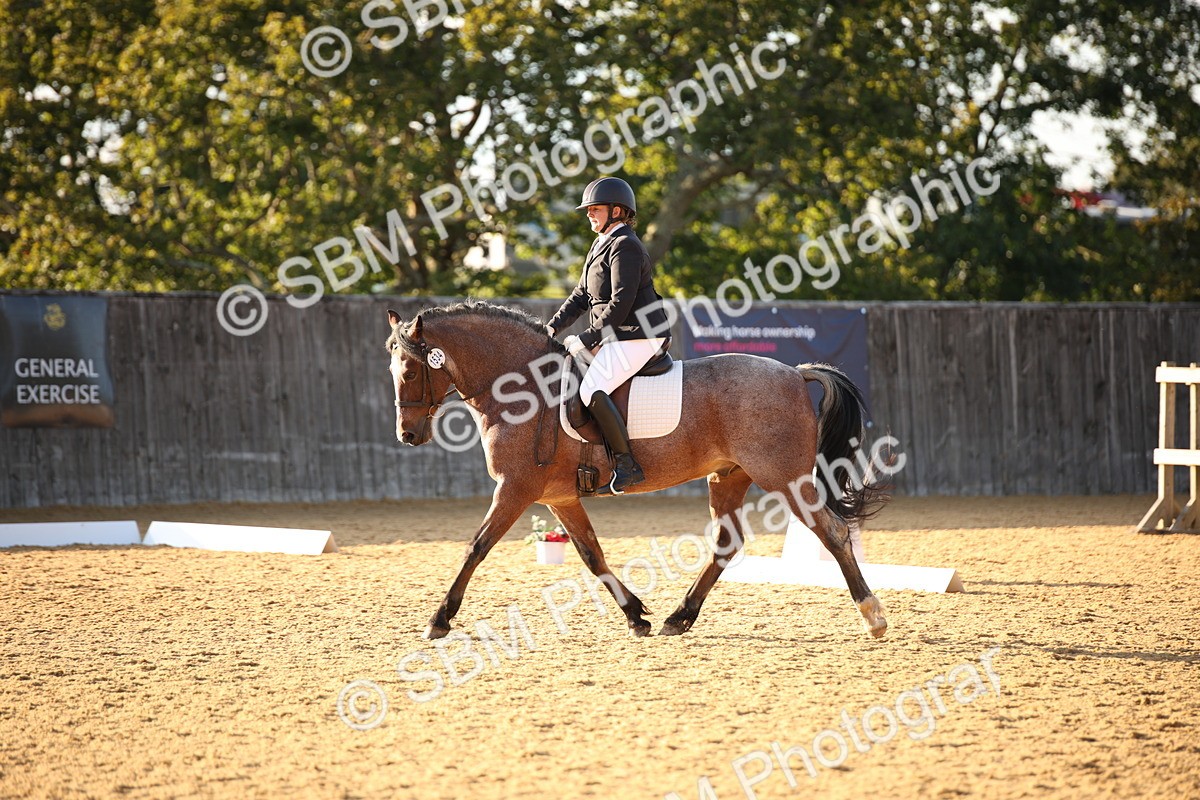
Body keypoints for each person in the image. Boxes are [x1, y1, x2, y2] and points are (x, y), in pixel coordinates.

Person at [547, 176, 669, 494]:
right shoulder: (602, 243)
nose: (589, 214)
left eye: (595, 209)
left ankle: (627, 466)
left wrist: (587, 338)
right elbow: (581, 295)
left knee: (591, 389)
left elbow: (621, 301)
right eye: (589, 209)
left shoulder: (625, 245)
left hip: (640, 335)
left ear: (617, 211)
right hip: (618, 335)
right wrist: (552, 326)